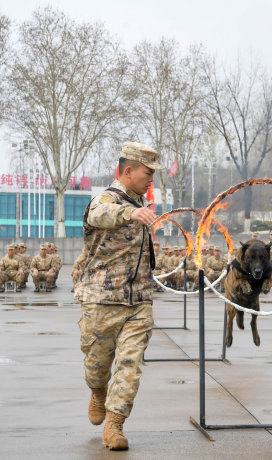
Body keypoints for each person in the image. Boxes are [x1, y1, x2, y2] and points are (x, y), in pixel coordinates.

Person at [74, 141, 160, 450]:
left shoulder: (142, 205)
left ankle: (115, 425)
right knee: (97, 369)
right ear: (128, 170)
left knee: (130, 366)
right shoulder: (106, 199)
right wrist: (130, 213)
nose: (151, 179)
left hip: (138, 302)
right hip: (102, 301)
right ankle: (98, 392)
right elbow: (100, 215)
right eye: (147, 172)